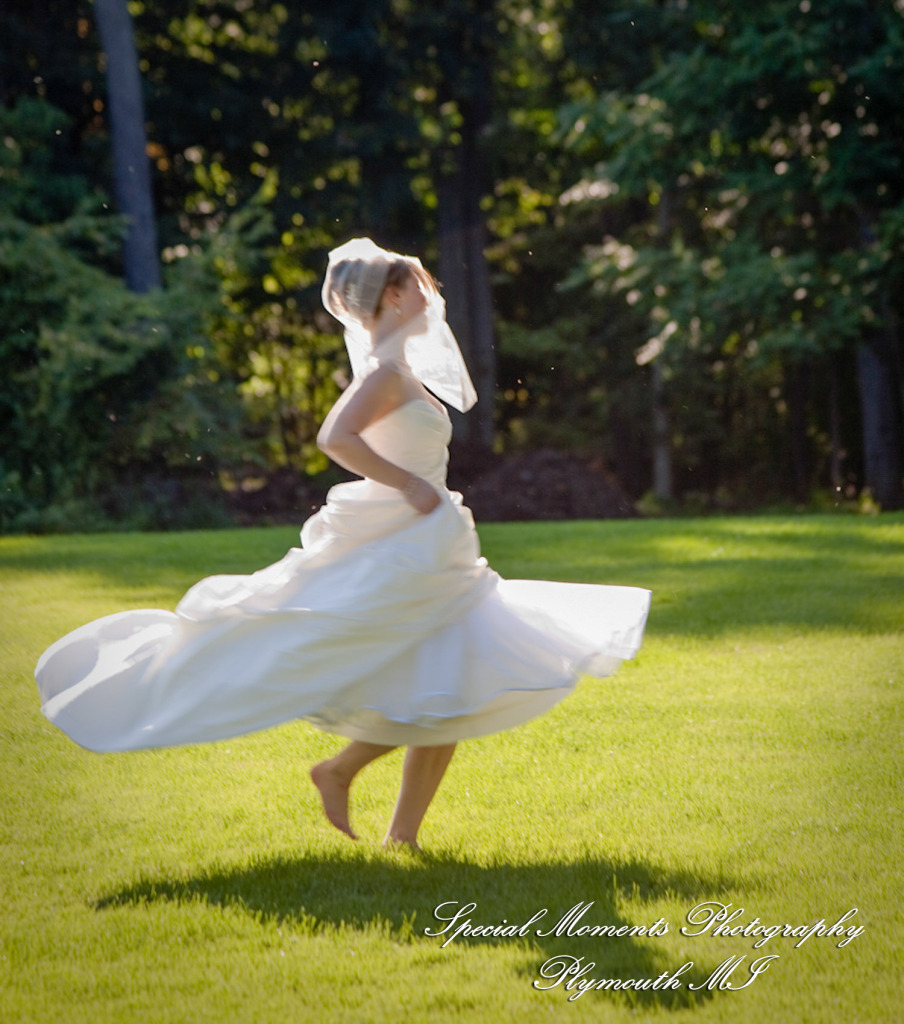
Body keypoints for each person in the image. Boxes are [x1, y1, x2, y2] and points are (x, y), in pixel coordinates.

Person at [35, 237, 651, 850]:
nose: (430, 290)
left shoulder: (399, 370)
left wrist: (419, 489)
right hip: (405, 538)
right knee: (450, 674)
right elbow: (337, 437)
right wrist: (408, 483)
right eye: (418, 282)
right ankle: (345, 776)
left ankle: (388, 823)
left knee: (452, 675)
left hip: (430, 535)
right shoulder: (383, 374)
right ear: (392, 295)